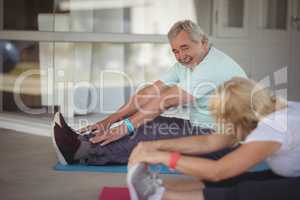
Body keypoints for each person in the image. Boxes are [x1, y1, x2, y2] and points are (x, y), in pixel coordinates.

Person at [52, 20, 247, 165]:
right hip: (202, 128)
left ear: (203, 42)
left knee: (150, 132)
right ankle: (81, 140)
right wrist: (111, 119)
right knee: (151, 122)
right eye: (175, 51)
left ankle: (82, 151)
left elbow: (166, 101)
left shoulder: (213, 67)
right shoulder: (189, 63)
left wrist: (126, 125)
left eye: (185, 48)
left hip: (224, 142)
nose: (181, 56)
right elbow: (151, 92)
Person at [127, 77, 300, 200]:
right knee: (239, 180)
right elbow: (210, 141)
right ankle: (159, 191)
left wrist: (162, 157)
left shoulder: (273, 127)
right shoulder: (270, 107)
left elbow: (217, 171)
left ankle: (160, 196)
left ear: (240, 117)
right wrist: (154, 147)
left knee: (248, 192)